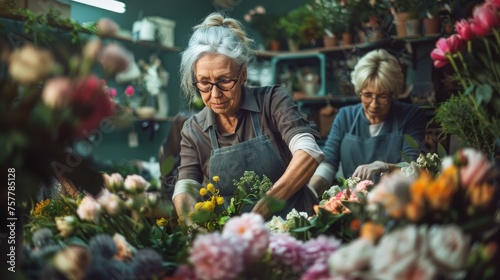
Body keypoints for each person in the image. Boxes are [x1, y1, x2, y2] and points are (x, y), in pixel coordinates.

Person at [172, 12, 324, 222]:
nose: (215, 94)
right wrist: (191, 226)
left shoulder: (272, 101)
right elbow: (185, 186)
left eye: (224, 81)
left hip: (297, 226)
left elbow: (309, 152)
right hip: (238, 239)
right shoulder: (194, 130)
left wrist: (266, 207)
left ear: (242, 74)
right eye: (204, 83)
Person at [309, 49, 426, 196]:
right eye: (367, 95)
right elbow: (328, 163)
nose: (374, 104)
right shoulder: (345, 116)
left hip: (396, 201)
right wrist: (311, 191)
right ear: (359, 91)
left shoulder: (412, 116)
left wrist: (383, 166)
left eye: (382, 96)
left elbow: (413, 167)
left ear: (393, 93)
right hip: (353, 202)